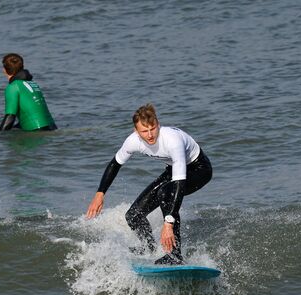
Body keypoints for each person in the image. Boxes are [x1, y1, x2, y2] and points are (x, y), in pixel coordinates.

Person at [85, 104, 212, 265]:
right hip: (172, 169)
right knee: (134, 215)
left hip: (199, 169)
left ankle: (175, 255)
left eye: (153, 129)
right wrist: (100, 194)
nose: (150, 135)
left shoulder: (172, 140)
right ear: (136, 131)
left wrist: (168, 223)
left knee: (166, 193)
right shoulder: (133, 141)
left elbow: (179, 182)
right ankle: (149, 248)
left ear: (158, 125)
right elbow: (115, 164)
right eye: (144, 131)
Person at [0, 53, 57, 132]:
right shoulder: (33, 84)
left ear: (5, 70)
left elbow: (10, 116)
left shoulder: (13, 87)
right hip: (52, 127)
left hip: (37, 132)